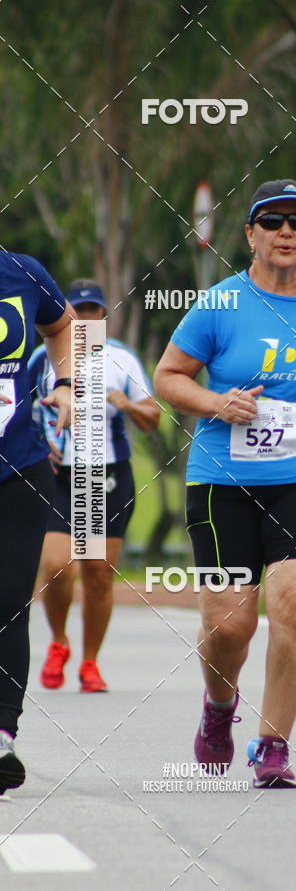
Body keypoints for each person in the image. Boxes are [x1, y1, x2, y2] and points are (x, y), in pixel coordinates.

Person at [154, 180, 296, 788]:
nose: (285, 232)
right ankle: (219, 709)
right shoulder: (221, 303)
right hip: (220, 481)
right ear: (249, 234)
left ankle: (273, 744)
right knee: (229, 625)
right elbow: (168, 377)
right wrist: (216, 402)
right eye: (271, 222)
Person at [30, 281, 160, 693]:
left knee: (99, 572)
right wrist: (38, 444)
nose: (85, 319)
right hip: (58, 476)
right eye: (78, 311)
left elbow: (153, 416)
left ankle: (89, 662)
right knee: (55, 566)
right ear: (66, 314)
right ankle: (58, 641)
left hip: (109, 475)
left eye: (93, 311)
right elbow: (14, 409)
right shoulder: (43, 357)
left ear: (103, 316)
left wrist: (127, 405)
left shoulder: (122, 358)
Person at [0, 253, 72, 795]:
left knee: (8, 603)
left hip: (17, 468)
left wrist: (67, 382)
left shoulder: (20, 271)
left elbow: (64, 325)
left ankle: (1, 736)